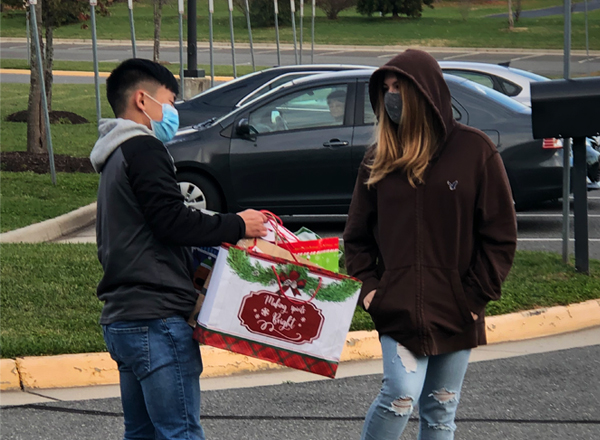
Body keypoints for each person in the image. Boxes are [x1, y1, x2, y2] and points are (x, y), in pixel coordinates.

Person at [343, 50, 517, 440]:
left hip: (457, 310)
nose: (391, 96)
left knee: (440, 409)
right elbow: (355, 239)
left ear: (425, 91)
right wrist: (371, 291)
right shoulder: (378, 159)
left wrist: (473, 299)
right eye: (385, 89)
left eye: (398, 87)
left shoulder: (475, 151)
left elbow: (500, 235)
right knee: (400, 396)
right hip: (397, 309)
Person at [90, 58, 267, 440]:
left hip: (123, 317)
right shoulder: (143, 148)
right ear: (142, 100)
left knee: (142, 433)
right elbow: (172, 221)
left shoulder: (113, 156)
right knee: (180, 433)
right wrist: (239, 224)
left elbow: (154, 223)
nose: (173, 113)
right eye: (169, 102)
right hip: (157, 319)